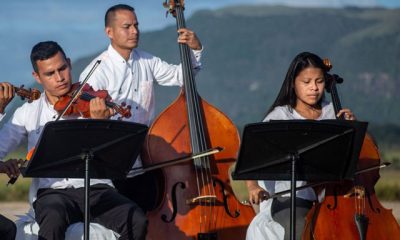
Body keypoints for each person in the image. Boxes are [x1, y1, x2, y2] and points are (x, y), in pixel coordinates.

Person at [0, 41, 147, 240]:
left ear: (69, 64)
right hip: (53, 193)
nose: (60, 78)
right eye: (50, 74)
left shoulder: (93, 103)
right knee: (53, 218)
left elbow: (116, 155)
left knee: (137, 220)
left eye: (62, 69)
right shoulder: (27, 113)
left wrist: (101, 123)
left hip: (97, 188)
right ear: (37, 77)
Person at [79, 4, 203, 202]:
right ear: (109, 32)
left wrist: (194, 50)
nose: (135, 31)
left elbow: (182, 76)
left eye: (136, 25)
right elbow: (87, 126)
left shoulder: (147, 60)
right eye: (127, 26)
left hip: (147, 159)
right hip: (113, 166)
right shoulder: (97, 72)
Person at [245, 52, 356, 240]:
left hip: (329, 197)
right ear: (293, 83)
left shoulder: (334, 112)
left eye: (319, 81)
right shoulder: (279, 117)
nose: (314, 88)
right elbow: (253, 156)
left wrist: (353, 128)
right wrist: (253, 187)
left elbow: (362, 151)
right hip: (289, 198)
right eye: (306, 82)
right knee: (299, 224)